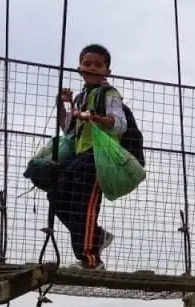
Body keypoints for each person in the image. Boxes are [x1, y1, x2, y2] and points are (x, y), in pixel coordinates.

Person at [55, 44, 123, 270]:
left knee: (85, 206)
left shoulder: (109, 94)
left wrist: (93, 117)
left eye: (98, 64)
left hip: (98, 157)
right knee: (58, 197)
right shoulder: (80, 97)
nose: (92, 68)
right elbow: (69, 129)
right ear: (80, 68)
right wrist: (64, 105)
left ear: (107, 71)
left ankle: (90, 260)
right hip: (79, 155)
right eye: (88, 64)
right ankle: (98, 235)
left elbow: (119, 124)